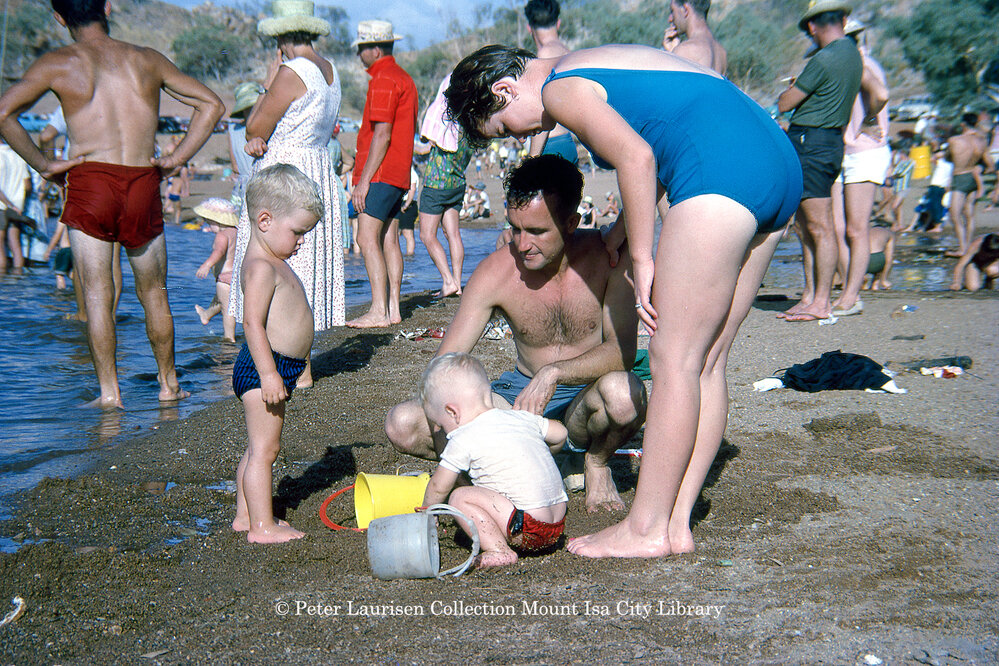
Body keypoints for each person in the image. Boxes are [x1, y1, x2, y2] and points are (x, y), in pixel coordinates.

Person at [445, 42, 801, 558]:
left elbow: (638, 157)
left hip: (720, 165)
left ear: (504, 89)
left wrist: (641, 256)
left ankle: (647, 527)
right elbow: (665, 129)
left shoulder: (558, 88)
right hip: (774, 159)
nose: (519, 138)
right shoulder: (593, 62)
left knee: (673, 358)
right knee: (706, 361)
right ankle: (675, 524)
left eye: (503, 127)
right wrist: (618, 232)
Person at [386, 156, 648, 513]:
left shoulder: (608, 259)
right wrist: (458, 472)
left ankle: (596, 463)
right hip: (517, 401)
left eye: (537, 231)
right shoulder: (496, 272)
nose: (522, 244)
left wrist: (553, 373)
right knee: (404, 424)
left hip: (586, 401)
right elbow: (442, 368)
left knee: (624, 394)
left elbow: (623, 352)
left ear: (571, 223)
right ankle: (512, 468)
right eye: (515, 228)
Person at [0, 0, 224, 408]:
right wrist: (176, 159)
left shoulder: (58, 63)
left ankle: (110, 393)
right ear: (106, 7)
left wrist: (44, 165)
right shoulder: (147, 59)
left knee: (97, 295)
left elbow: (4, 113)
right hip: (141, 180)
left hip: (91, 182)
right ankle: (169, 385)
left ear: (59, 17)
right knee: (154, 293)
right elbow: (212, 104)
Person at [229, 0, 346, 388]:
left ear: (280, 36)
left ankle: (284, 365)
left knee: (272, 260)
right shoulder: (330, 70)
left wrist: (268, 83)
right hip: (315, 168)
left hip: (285, 171)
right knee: (303, 266)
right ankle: (302, 363)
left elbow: (254, 126)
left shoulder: (290, 71)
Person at [231, 164, 321, 543]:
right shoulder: (261, 268)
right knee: (265, 450)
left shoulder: (272, 262)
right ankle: (261, 527)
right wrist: (269, 374)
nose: (301, 241)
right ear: (265, 221)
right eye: (297, 232)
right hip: (264, 367)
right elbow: (251, 324)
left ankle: (245, 516)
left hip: (278, 366)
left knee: (257, 447)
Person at [420, 352, 569, 568]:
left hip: (528, 529)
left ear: (452, 412)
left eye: (440, 425)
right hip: (557, 524)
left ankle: (499, 550)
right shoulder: (521, 418)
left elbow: (438, 485)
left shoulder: (463, 437)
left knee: (459, 497)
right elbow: (561, 433)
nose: (442, 431)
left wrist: (427, 511)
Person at [775, 0, 862, 322]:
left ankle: (820, 300)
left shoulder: (824, 59)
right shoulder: (852, 54)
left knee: (818, 226)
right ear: (843, 19)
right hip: (826, 142)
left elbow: (785, 103)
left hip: (812, 142)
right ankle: (811, 296)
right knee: (808, 227)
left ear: (812, 26)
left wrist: (793, 88)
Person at [347, 20, 418, 328]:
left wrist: (363, 181)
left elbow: (382, 134)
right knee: (389, 238)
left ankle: (378, 310)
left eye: (362, 48)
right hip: (398, 171)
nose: (359, 54)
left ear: (375, 49)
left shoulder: (383, 79)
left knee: (365, 237)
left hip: (381, 172)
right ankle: (392, 308)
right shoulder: (404, 78)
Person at [828, 18, 889, 317]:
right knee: (837, 226)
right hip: (846, 150)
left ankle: (852, 296)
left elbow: (882, 94)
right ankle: (848, 289)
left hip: (864, 151)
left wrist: (870, 119)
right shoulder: (849, 65)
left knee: (855, 228)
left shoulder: (861, 64)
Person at [418, 73, 472, 298]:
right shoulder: (468, 122)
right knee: (453, 234)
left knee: (426, 235)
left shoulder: (443, 118)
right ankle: (457, 283)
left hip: (436, 184)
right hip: (457, 183)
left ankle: (448, 281)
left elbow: (425, 145)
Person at [524, 0, 577, 165]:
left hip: (550, 145)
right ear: (558, 23)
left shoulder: (544, 55)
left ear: (529, 27)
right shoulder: (569, 53)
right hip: (567, 142)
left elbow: (543, 110)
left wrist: (532, 159)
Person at [944, 113, 996, 257]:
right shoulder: (981, 141)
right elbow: (991, 166)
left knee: (954, 215)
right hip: (972, 177)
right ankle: (968, 247)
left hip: (959, 177)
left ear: (963, 124)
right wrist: (980, 168)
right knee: (969, 214)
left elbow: (948, 158)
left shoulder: (954, 140)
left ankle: (962, 249)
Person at [194, 198, 239, 342]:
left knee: (227, 309)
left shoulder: (222, 235)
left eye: (209, 223)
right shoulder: (236, 232)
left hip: (224, 279)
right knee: (220, 301)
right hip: (238, 276)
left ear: (217, 221)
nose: (208, 226)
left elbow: (218, 252)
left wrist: (207, 265)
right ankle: (206, 315)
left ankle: (229, 338)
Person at [662, 0, 727, 75]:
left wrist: (672, 55)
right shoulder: (721, 52)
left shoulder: (685, 50)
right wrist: (673, 51)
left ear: (685, 10)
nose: (670, 19)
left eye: (672, 11)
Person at [227, 82, 264, 209]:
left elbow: (235, 166)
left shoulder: (233, 130)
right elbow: (235, 167)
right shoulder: (268, 128)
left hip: (248, 184)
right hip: (258, 184)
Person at [0, 136, 30, 274]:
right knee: (15, 244)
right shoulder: (18, 155)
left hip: (2, 206)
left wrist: (9, 204)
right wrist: (18, 204)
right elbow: (27, 186)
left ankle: (2, 278)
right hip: (18, 206)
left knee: (0, 245)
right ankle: (18, 277)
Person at [863, 224, 894, 290]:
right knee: (882, 259)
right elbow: (889, 259)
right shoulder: (889, 233)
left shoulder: (866, 231)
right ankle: (876, 283)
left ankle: (864, 281)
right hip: (877, 260)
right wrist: (884, 279)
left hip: (862, 260)